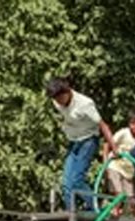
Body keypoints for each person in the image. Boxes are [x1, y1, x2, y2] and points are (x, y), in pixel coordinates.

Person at [46, 77, 116, 211]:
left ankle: (96, 208)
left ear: (67, 92)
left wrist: (114, 148)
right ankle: (70, 213)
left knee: (77, 180)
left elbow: (103, 125)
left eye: (60, 98)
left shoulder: (85, 104)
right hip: (74, 141)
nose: (58, 102)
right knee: (66, 183)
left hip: (88, 141)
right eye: (55, 99)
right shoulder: (56, 102)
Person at [103, 108, 135, 199]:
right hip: (115, 166)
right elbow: (107, 144)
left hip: (128, 172)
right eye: (132, 123)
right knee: (118, 194)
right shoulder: (124, 133)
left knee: (131, 198)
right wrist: (105, 161)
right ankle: (113, 211)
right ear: (129, 123)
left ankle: (121, 212)